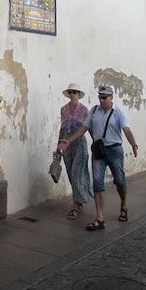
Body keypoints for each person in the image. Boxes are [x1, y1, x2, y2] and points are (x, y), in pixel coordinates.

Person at [57, 84, 138, 230]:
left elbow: (126, 130)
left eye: (104, 97)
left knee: (120, 181)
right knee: (98, 184)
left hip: (114, 151)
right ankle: (100, 218)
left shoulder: (118, 113)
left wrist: (133, 144)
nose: (101, 100)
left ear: (111, 98)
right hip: (99, 152)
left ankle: (123, 205)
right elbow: (83, 128)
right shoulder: (94, 111)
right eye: (100, 97)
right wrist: (67, 140)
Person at [56, 82, 93, 219]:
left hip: (79, 143)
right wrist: (58, 145)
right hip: (66, 143)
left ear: (79, 94)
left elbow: (88, 127)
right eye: (70, 92)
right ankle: (79, 199)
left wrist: (96, 142)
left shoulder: (84, 110)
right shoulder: (63, 109)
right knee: (71, 173)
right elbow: (62, 127)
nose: (72, 95)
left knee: (77, 173)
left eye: (75, 92)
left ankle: (75, 206)